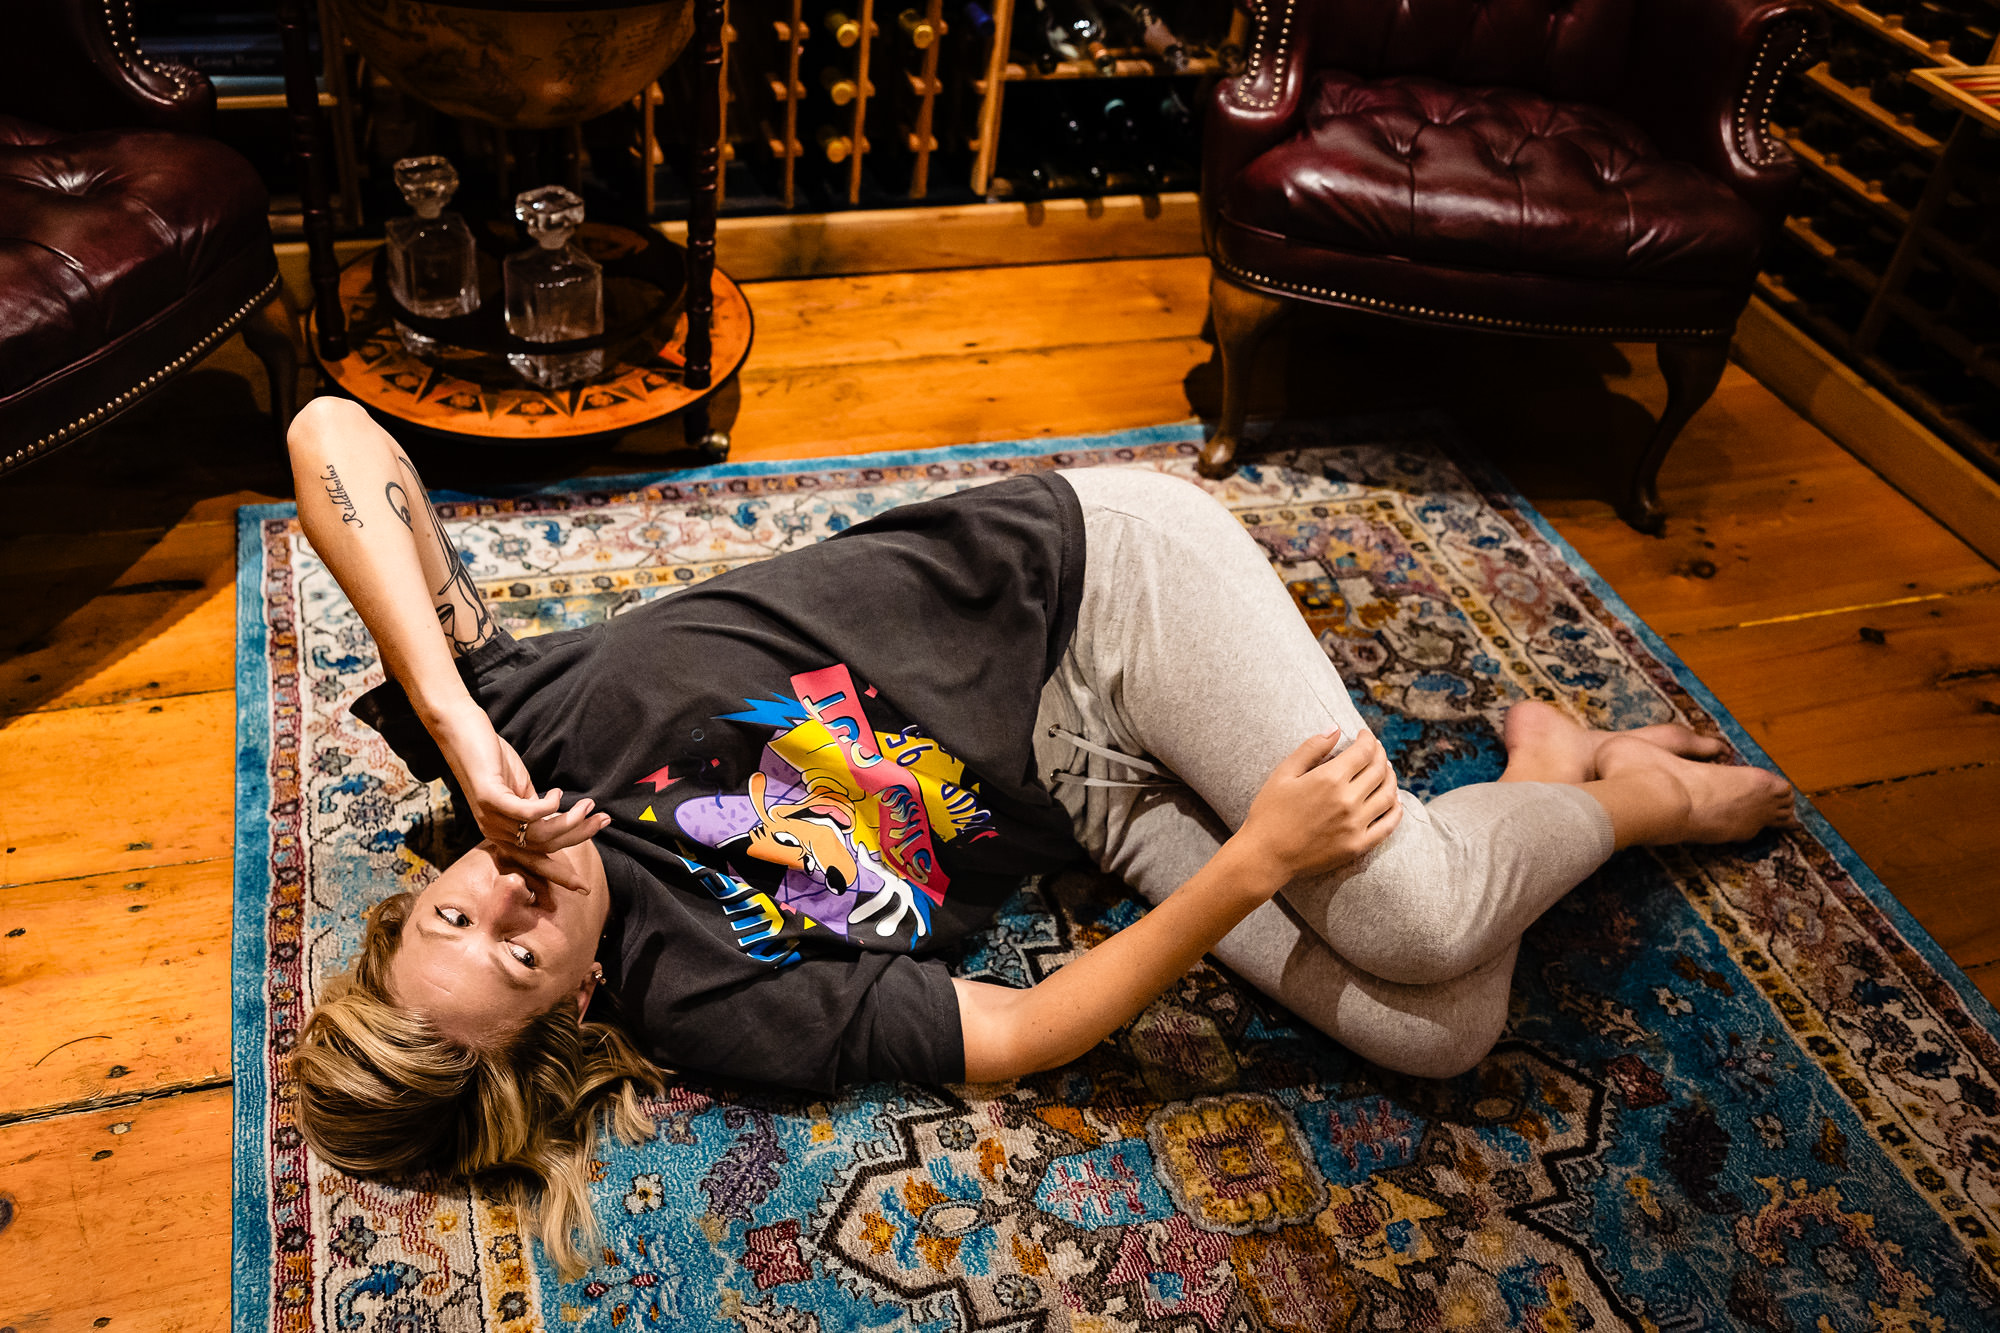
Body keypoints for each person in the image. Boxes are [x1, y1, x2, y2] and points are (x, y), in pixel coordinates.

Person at [284, 397, 1797, 1276]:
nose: (501, 893)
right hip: (1088, 786)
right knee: (1447, 1021)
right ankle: (1544, 759)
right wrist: (1250, 861)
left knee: (1414, 921)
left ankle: (1632, 798)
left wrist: (462, 715)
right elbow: (1023, 1030)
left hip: (1100, 586)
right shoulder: (702, 996)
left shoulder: (509, 736)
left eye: (448, 914)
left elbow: (328, 429)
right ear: (574, 1005)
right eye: (521, 948)